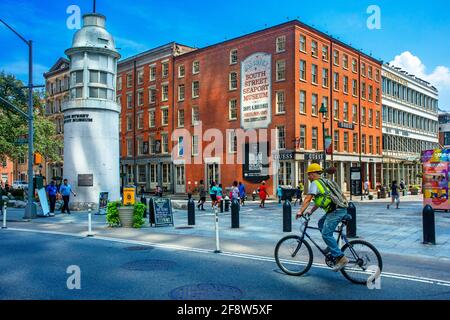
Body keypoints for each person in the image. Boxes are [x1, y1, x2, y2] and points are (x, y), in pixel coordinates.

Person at [295, 163, 349, 272]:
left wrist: (300, 211)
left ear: (314, 174)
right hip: (337, 209)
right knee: (320, 223)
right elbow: (322, 200)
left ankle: (341, 258)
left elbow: (308, 199)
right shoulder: (324, 182)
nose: (308, 177)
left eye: (309, 174)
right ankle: (331, 245)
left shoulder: (315, 183)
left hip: (336, 211)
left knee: (326, 234)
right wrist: (311, 211)